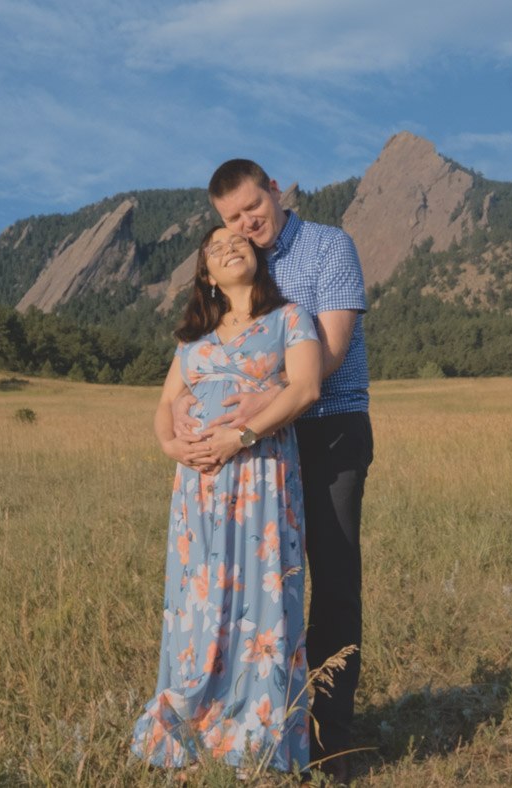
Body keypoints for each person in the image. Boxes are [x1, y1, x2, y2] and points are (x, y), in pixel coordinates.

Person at [176, 159, 372, 782]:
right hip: (258, 452)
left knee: (334, 582)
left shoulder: (326, 248)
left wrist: (269, 400)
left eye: (252, 208)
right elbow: (205, 353)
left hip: (328, 429)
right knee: (264, 586)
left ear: (275, 190)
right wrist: (185, 414)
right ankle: (262, 724)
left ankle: (330, 739)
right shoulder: (240, 263)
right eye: (231, 218)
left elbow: (332, 352)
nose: (245, 223)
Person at [131, 226, 322, 776]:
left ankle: (257, 737)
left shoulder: (290, 318)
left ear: (258, 258)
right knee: (199, 600)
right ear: (206, 275)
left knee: (260, 601)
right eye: (214, 247)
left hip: (260, 480)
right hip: (199, 488)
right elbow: (165, 404)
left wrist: (238, 436)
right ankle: (192, 726)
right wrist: (173, 444)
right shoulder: (193, 340)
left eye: (237, 240)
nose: (228, 246)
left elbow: (305, 388)